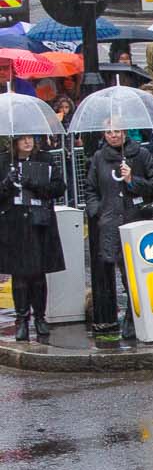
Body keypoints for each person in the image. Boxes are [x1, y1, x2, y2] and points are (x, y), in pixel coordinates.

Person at [80, 127, 153, 338]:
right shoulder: (99, 158)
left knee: (133, 272)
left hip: (135, 221)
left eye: (117, 131)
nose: (113, 135)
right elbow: (90, 188)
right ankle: (127, 314)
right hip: (109, 223)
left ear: (124, 132)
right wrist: (96, 210)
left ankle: (134, 315)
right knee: (117, 269)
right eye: (108, 132)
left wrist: (132, 180)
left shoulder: (141, 154)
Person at [0, 133, 65, 340]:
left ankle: (40, 317)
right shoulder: (3, 161)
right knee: (19, 275)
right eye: (23, 138)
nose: (28, 142)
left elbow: (59, 187)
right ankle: (22, 319)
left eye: (31, 138)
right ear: (15, 141)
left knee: (38, 274)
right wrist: (7, 183)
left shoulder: (44, 159)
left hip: (39, 223)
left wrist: (34, 185)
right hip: (14, 224)